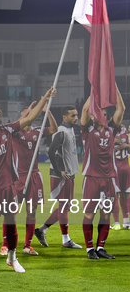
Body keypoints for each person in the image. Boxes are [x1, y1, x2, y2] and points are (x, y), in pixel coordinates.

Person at [0, 87, 55, 274]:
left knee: (11, 223)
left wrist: (45, 98)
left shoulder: (8, 130)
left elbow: (30, 118)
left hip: (10, 188)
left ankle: (12, 258)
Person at [3, 100, 57, 256]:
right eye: (25, 114)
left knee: (31, 211)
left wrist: (48, 112)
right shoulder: (15, 132)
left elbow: (54, 129)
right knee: (11, 212)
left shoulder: (38, 131)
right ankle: (6, 244)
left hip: (34, 175)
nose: (28, 116)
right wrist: (27, 113)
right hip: (18, 176)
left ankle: (27, 246)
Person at [78, 89, 124, 260]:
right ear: (93, 116)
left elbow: (122, 109)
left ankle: (100, 248)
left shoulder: (112, 130)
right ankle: (89, 249)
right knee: (89, 214)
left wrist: (113, 86)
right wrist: (95, 89)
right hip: (91, 178)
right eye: (100, 113)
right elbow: (84, 110)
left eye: (105, 114)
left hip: (110, 178)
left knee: (106, 214)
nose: (103, 116)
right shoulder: (87, 131)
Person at [35, 106, 83, 249]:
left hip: (68, 173)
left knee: (66, 206)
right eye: (73, 115)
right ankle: (65, 239)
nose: (76, 117)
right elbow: (51, 151)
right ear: (65, 117)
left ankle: (41, 230)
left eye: (76, 115)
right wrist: (60, 170)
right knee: (64, 206)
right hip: (61, 175)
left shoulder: (70, 130)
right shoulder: (61, 131)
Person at [111, 124, 130, 229]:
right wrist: (126, 146)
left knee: (115, 195)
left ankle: (117, 223)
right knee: (126, 194)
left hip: (115, 168)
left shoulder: (110, 133)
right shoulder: (125, 132)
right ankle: (127, 222)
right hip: (126, 166)